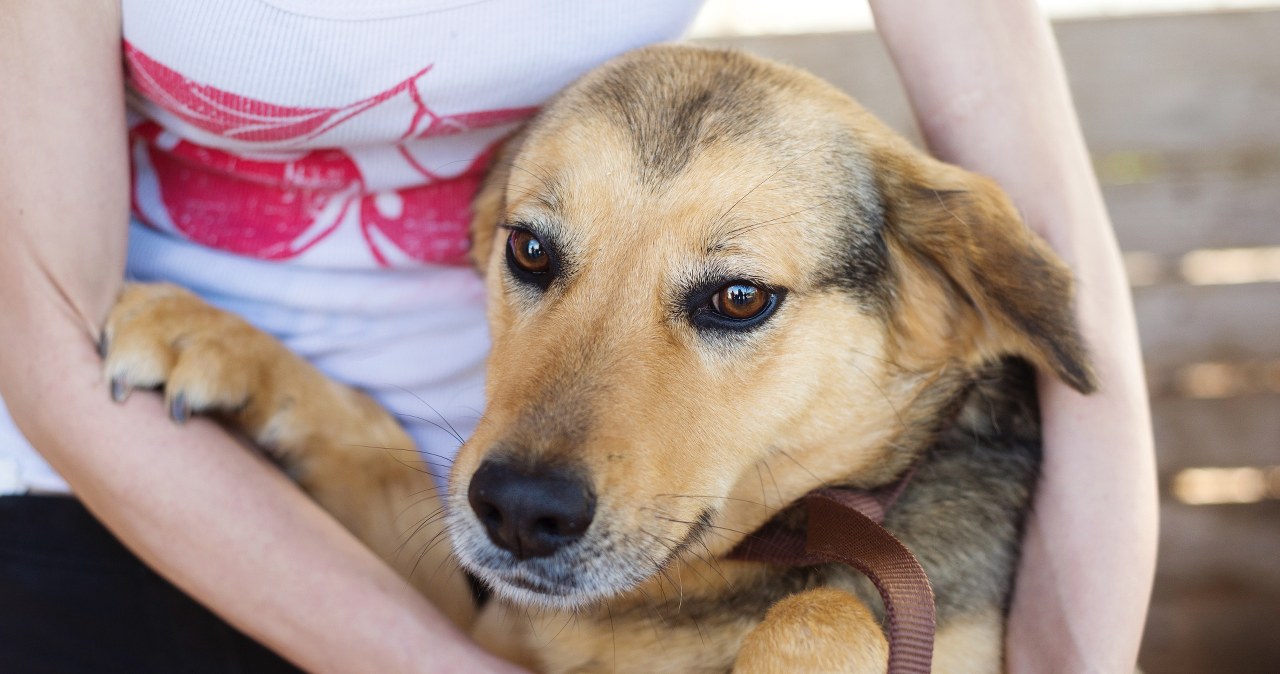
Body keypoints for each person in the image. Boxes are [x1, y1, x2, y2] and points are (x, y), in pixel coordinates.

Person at [0, 1, 1155, 672]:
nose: (570, 430)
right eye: (538, 258)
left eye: (730, 300)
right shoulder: (522, 498)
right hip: (119, 476)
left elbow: (1054, 243)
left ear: (941, 308)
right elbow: (46, 321)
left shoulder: (905, 573)